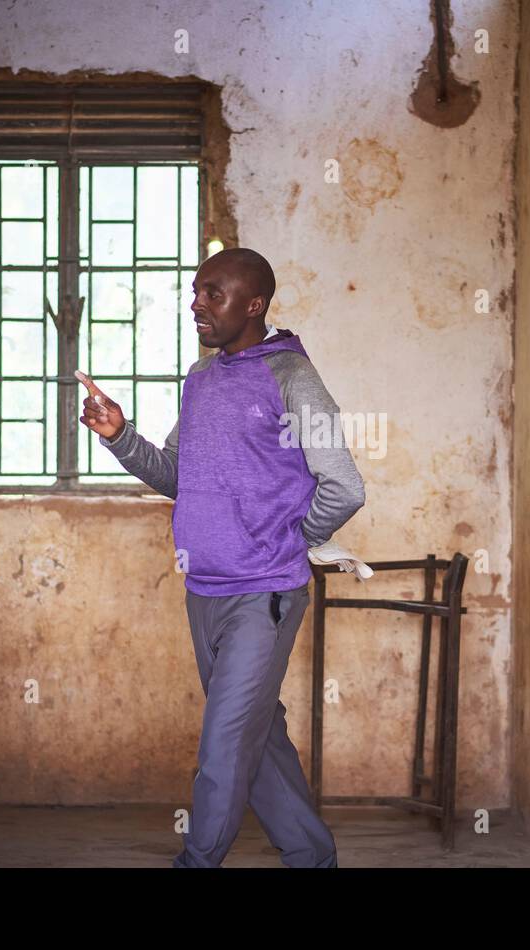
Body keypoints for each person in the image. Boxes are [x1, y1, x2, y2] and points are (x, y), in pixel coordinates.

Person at [76, 247, 365, 868]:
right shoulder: (201, 379)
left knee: (226, 743)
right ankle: (313, 857)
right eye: (196, 291)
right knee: (258, 738)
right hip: (204, 588)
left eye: (215, 294)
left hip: (265, 594)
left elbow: (344, 484)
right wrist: (120, 437)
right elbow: (179, 475)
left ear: (255, 305)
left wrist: (295, 540)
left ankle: (196, 861)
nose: (197, 304)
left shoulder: (291, 377)